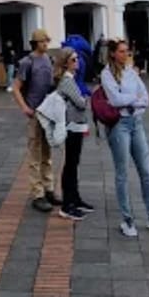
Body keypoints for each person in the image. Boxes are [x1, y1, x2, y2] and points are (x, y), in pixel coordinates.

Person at [100, 38, 149, 238]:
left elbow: (146, 98)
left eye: (127, 51)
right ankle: (127, 219)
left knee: (146, 171)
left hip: (136, 123)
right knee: (122, 173)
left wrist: (131, 102)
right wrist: (134, 100)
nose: (126, 55)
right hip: (119, 126)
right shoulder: (107, 74)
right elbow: (115, 100)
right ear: (113, 53)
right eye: (122, 51)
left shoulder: (131, 72)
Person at [13, 29, 59, 213]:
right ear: (35, 43)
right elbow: (16, 87)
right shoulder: (27, 62)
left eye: (47, 41)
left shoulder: (49, 59)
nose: (46, 44)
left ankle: (49, 189)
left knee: (47, 153)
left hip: (48, 112)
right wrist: (24, 107)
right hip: (35, 112)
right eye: (42, 41)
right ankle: (37, 194)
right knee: (35, 154)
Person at [54, 48, 92, 221]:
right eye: (74, 59)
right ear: (66, 63)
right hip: (71, 126)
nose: (77, 62)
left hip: (76, 126)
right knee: (70, 165)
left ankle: (75, 199)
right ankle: (67, 205)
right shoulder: (67, 81)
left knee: (73, 164)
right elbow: (80, 103)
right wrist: (86, 99)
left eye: (77, 59)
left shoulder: (71, 79)